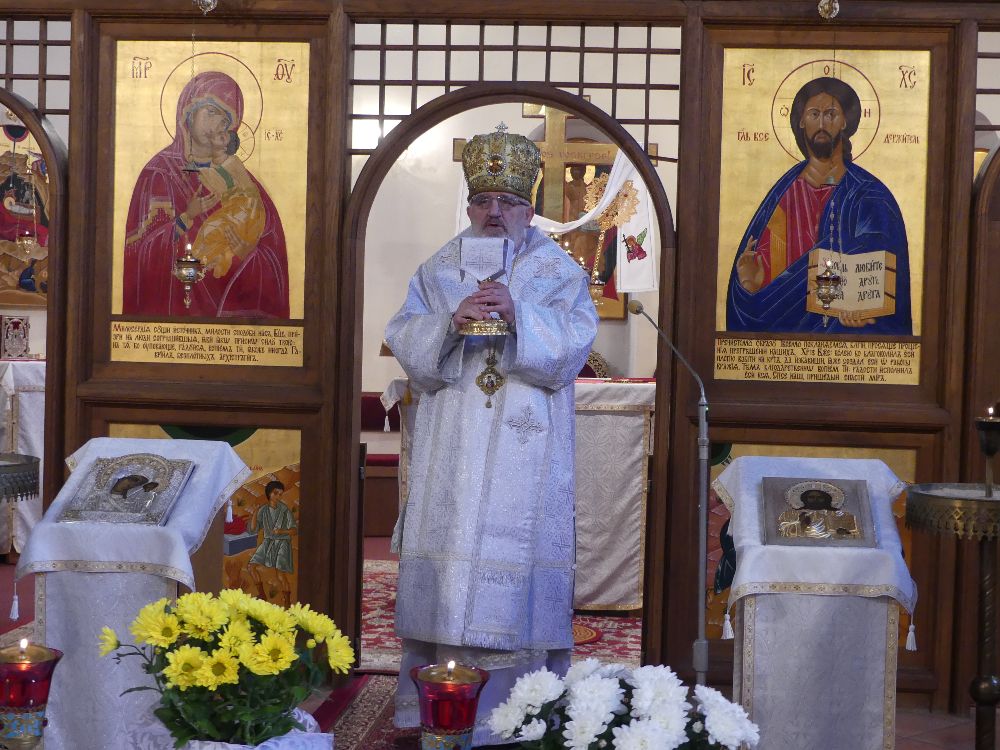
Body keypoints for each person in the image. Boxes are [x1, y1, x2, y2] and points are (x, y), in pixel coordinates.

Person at [386, 125, 599, 747]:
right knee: (451, 570)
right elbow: (404, 335)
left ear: (529, 208)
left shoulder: (557, 271)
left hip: (524, 446)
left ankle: (516, 716)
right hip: (453, 444)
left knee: (516, 569)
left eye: (508, 202)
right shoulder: (440, 267)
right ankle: (442, 710)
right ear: (470, 204)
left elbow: (575, 347)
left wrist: (520, 315)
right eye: (483, 201)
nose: (495, 213)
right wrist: (449, 323)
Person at [726, 76, 912, 334]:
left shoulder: (869, 195)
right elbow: (757, 301)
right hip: (780, 346)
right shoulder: (784, 193)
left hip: (848, 342)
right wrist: (749, 285)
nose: (822, 123)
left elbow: (883, 271)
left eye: (831, 114)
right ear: (802, 121)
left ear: (845, 121)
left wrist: (862, 305)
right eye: (814, 114)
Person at [122, 70, 289, 318]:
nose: (216, 124)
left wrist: (247, 252)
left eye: (224, 120)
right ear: (188, 114)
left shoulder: (242, 180)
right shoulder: (158, 173)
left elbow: (273, 255)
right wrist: (185, 218)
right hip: (172, 310)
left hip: (231, 316)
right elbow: (138, 253)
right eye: (211, 112)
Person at [247, 480, 296, 606]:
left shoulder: (284, 510)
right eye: (275, 493)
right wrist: (255, 513)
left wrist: (282, 531)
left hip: (282, 543)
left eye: (280, 494)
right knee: (251, 567)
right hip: (268, 542)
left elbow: (294, 530)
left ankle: (287, 605)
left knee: (280, 575)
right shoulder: (263, 510)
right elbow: (253, 529)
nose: (278, 496)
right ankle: (262, 595)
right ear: (269, 493)